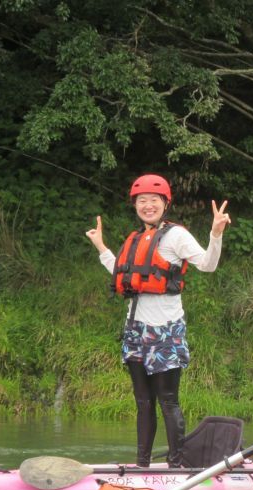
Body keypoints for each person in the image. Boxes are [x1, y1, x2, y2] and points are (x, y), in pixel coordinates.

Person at [85, 174, 231, 467]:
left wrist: (216, 233)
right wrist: (101, 246)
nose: (147, 205)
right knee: (142, 403)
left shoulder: (176, 235)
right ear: (135, 205)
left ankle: (176, 465)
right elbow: (122, 272)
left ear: (165, 203)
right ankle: (142, 465)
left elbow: (208, 264)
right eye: (142, 201)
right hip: (135, 329)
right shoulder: (135, 238)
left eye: (154, 200)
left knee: (168, 400)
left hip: (166, 330)